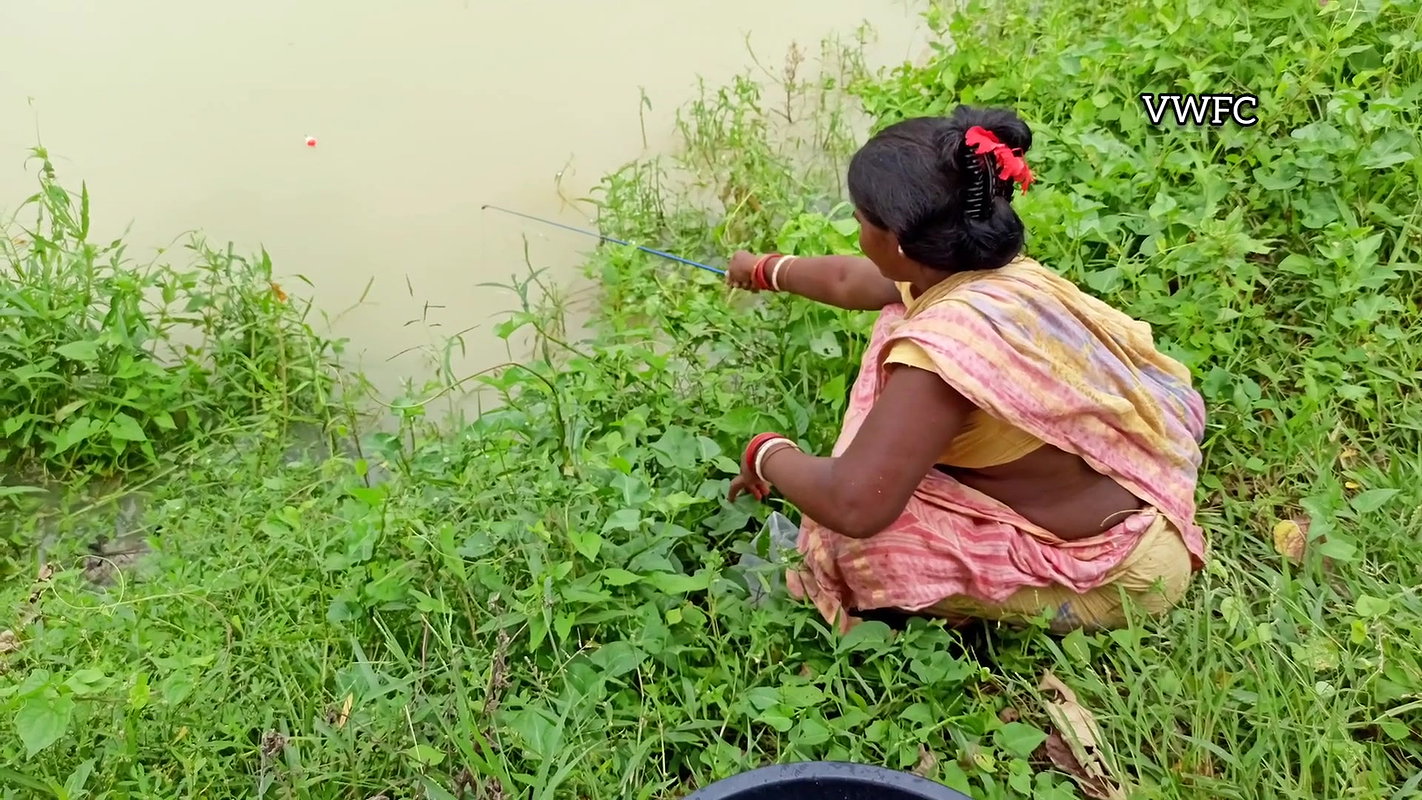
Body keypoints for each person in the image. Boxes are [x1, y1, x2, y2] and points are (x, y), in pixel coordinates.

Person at [723, 105, 1207, 634]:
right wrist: (767, 270)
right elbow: (850, 280)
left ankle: (975, 607)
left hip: (1125, 576)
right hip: (1132, 489)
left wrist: (767, 453)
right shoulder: (973, 272)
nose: (857, 233)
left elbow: (854, 504)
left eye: (861, 222)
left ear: (900, 242)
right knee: (896, 315)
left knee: (849, 543)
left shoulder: (943, 352)